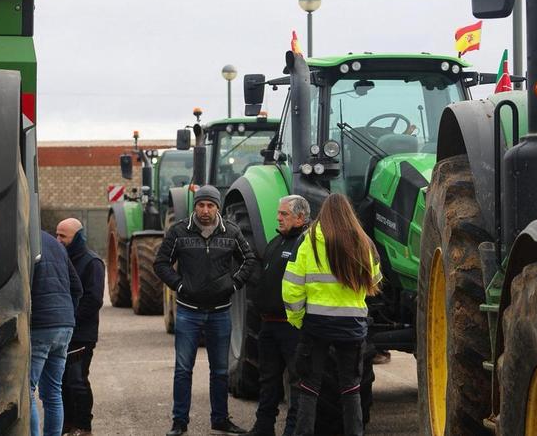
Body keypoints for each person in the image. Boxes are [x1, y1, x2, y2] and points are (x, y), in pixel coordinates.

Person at [154, 185, 258, 436]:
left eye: (210, 205)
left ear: (217, 208)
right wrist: (179, 285)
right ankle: (179, 422)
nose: (205, 210)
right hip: (188, 312)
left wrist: (233, 284)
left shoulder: (231, 232)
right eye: (201, 205)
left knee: (220, 371)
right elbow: (161, 263)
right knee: (182, 370)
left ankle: (220, 419)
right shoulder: (179, 231)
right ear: (195, 206)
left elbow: (249, 259)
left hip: (220, 313)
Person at [282, 194, 382, 436]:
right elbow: (376, 279)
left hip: (316, 325)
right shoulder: (363, 241)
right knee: (351, 387)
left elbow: (292, 286)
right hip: (352, 326)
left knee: (309, 386)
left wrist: (297, 320)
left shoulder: (308, 240)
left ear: (323, 212)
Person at [246, 195, 310, 436]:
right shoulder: (275, 242)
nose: (278, 217)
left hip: (292, 327)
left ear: (300, 217)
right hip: (268, 326)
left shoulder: (306, 244)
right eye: (279, 213)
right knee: (268, 380)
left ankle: (292, 430)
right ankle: (263, 427)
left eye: (284, 214)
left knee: (297, 382)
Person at [31, 230, 83, 436]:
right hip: (64, 325)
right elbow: (77, 287)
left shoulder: (21, 240)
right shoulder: (55, 244)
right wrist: (67, 315)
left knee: (27, 392)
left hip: (40, 325)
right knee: (53, 392)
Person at [56, 218, 105, 436]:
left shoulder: (92, 262)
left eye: (63, 236)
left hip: (82, 334)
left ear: (76, 237)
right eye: (56, 235)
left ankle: (84, 426)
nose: (58, 240)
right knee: (63, 381)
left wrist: (71, 319)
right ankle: (68, 424)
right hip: (64, 331)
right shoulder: (62, 259)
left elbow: (93, 300)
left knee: (77, 380)